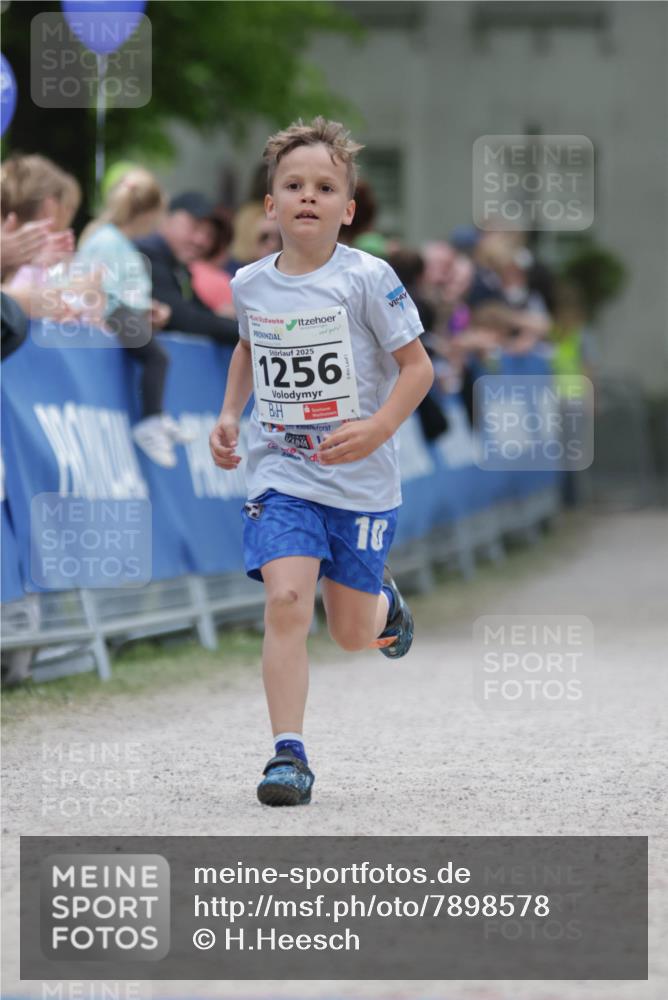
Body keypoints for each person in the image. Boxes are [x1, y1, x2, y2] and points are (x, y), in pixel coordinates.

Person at [209, 116, 433, 807]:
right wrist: (228, 414)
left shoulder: (370, 278)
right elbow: (248, 347)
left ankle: (383, 608)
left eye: (326, 187)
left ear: (349, 208)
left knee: (350, 633)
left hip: (361, 479)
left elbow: (417, 369)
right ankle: (288, 756)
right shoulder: (250, 283)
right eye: (294, 185)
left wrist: (378, 428)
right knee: (284, 601)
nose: (310, 196)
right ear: (270, 205)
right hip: (284, 473)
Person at [77, 168, 192, 468]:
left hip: (117, 312)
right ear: (148, 213)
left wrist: (147, 308)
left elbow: (123, 289)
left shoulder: (112, 240)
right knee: (158, 358)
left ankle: (156, 416)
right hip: (112, 314)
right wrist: (141, 311)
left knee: (157, 357)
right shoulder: (108, 241)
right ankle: (151, 420)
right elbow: (104, 289)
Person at [134, 192, 238, 344]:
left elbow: (198, 312)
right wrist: (250, 332)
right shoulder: (147, 255)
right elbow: (186, 319)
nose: (201, 240)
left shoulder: (177, 268)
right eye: (194, 226)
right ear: (166, 219)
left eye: (210, 235)